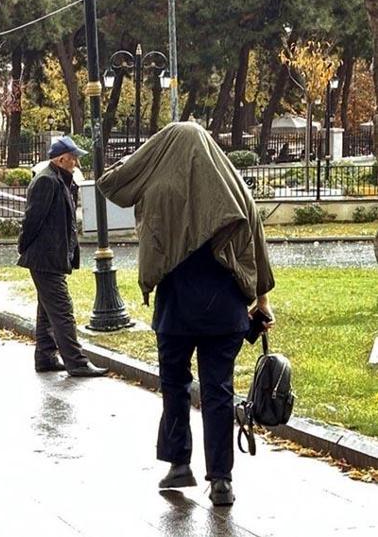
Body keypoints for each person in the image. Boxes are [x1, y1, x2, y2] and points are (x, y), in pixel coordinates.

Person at [97, 122, 276, 507]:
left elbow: (112, 184)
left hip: (176, 308)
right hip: (224, 310)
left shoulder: (160, 189)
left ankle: (179, 463)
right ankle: (222, 480)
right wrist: (261, 303)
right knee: (218, 392)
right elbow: (257, 249)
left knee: (174, 386)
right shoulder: (236, 189)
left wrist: (144, 156)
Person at [17, 136, 109, 378]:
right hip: (44, 257)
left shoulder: (60, 180)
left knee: (47, 310)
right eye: (73, 158)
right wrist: (23, 247)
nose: (76, 162)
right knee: (62, 309)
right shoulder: (47, 181)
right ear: (60, 159)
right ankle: (76, 362)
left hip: (50, 257)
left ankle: (46, 357)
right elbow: (32, 220)